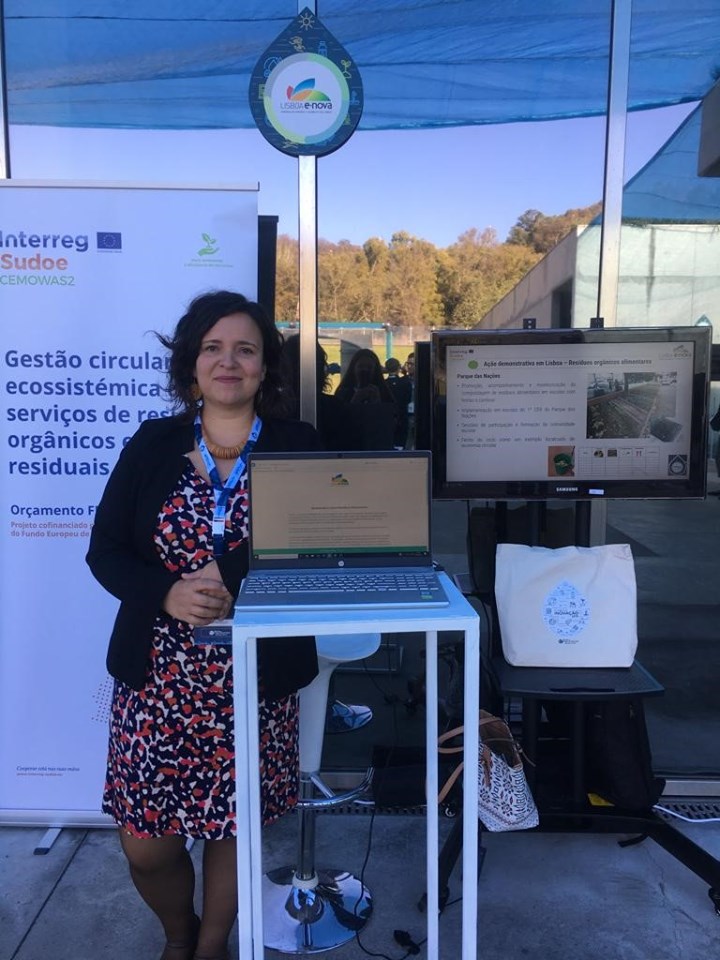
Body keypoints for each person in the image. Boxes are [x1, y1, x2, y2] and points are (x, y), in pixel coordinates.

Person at [86, 290, 322, 960]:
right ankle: (178, 930)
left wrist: (233, 572)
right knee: (146, 844)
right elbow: (105, 550)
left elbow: (316, 543)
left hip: (254, 677)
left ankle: (211, 943)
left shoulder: (298, 445)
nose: (229, 362)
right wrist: (166, 593)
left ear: (264, 367)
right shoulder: (153, 444)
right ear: (191, 364)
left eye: (245, 349)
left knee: (233, 827)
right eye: (212, 348)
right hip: (158, 681)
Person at [384, 357, 412, 449]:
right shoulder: (405, 383)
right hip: (402, 415)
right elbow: (408, 399)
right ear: (398, 368)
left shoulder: (383, 384)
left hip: (388, 417)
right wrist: (405, 373)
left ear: (386, 368)